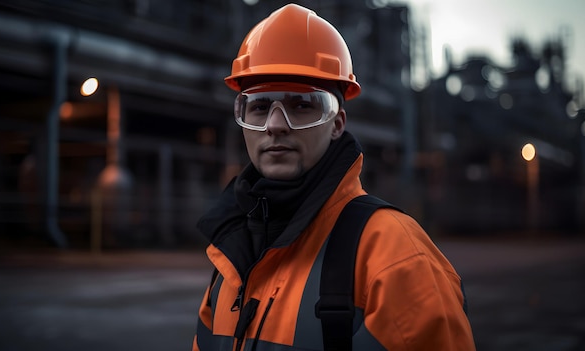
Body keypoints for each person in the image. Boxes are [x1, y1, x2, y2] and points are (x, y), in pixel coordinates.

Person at [192, 3, 475, 350]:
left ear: (337, 123)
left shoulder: (396, 256)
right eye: (260, 106)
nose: (276, 125)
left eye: (301, 105)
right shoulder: (231, 258)